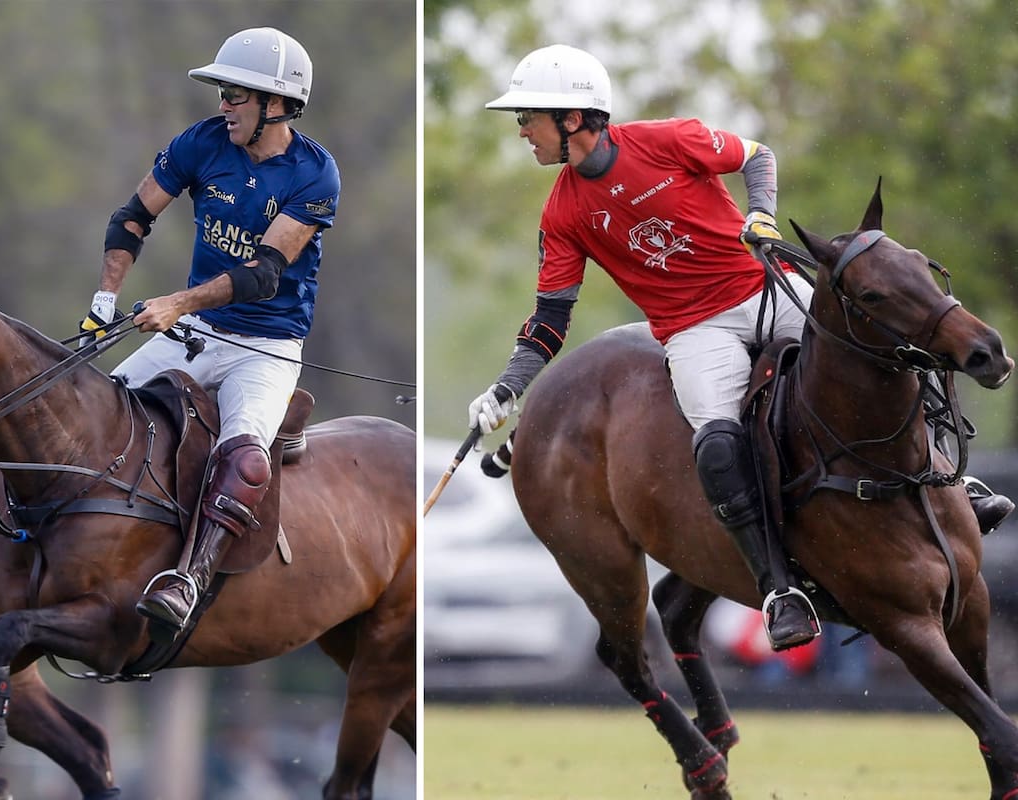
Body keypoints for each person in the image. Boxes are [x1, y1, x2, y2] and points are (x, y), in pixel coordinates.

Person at [467, 44, 1013, 652]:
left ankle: (950, 480)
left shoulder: (668, 140)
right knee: (720, 442)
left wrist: (762, 215)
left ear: (572, 119)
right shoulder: (562, 213)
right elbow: (550, 318)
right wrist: (507, 388)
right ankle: (779, 587)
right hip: (694, 332)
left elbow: (757, 156)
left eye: (527, 118)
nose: (521, 132)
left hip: (764, 288)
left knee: (875, 344)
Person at [80, 26, 339, 643]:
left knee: (246, 455)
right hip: (195, 331)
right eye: (223, 92)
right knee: (96, 416)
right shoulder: (201, 143)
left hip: (267, 346)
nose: (222, 105)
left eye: (236, 95)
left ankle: (187, 579)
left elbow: (262, 276)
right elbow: (132, 218)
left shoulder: (315, 175)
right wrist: (104, 300)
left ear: (277, 105)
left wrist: (176, 301)